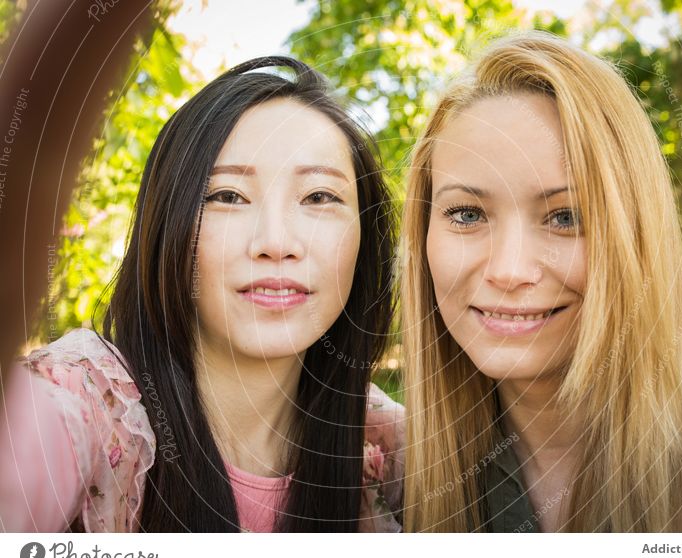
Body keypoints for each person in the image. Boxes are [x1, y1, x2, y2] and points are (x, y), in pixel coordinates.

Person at [0, 56, 403, 533]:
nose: (276, 243)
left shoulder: (379, 439)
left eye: (319, 198)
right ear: (168, 225)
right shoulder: (88, 402)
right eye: (228, 196)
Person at [401, 32, 682, 532]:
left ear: (637, 234)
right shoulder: (387, 490)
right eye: (465, 214)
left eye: (565, 217)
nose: (508, 269)